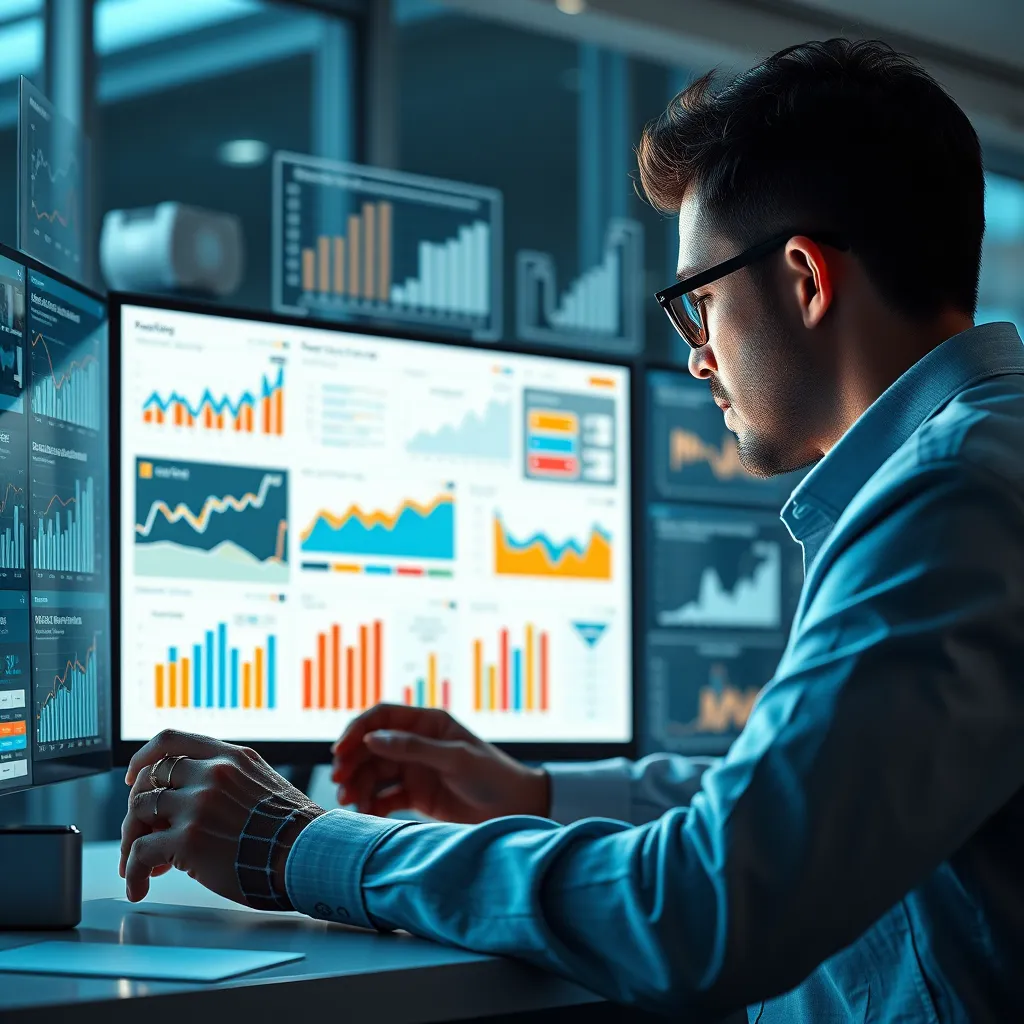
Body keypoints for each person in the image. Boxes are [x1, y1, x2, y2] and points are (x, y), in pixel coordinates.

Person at [120, 38, 1024, 1022]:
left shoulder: (950, 497)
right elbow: (818, 797)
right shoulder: (981, 463)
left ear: (804, 279)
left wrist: (295, 846)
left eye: (699, 304)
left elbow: (705, 909)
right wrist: (535, 792)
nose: (695, 359)